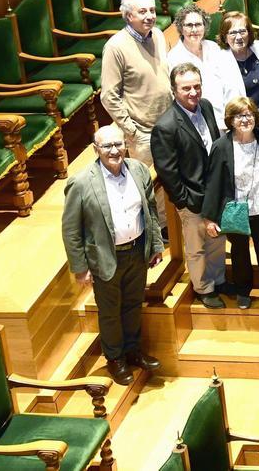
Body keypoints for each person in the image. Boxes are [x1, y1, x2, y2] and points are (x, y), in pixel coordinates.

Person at [62, 124, 163, 386]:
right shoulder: (82, 182)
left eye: (118, 144)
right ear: (96, 149)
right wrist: (80, 267)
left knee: (132, 305)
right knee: (110, 312)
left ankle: (132, 351)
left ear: (125, 144)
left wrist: (155, 246)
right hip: (106, 257)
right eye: (107, 146)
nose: (114, 150)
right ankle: (115, 359)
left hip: (137, 251)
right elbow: (71, 229)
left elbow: (150, 211)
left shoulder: (139, 170)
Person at [152, 63, 226, 307]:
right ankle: (203, 288)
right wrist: (183, 201)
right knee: (196, 248)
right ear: (174, 90)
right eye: (186, 88)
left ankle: (218, 280)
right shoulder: (166, 126)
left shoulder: (204, 107)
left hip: (214, 192)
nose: (193, 92)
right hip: (191, 198)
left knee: (216, 241)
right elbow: (168, 172)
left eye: (197, 86)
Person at [202, 97, 259, 310]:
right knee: (239, 252)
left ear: (255, 116)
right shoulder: (221, 146)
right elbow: (214, 182)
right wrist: (209, 217)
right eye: (239, 115)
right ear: (230, 120)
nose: (245, 119)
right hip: (236, 208)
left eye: (248, 114)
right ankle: (243, 291)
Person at [100, 0, 171, 181]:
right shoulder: (116, 47)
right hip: (143, 133)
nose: (150, 16)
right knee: (149, 188)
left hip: (169, 125)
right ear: (129, 15)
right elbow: (108, 96)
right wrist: (132, 131)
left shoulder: (157, 34)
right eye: (143, 12)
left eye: (152, 10)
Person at [212, 11, 259, 140]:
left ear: (249, 33)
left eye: (242, 31)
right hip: (242, 128)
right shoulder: (218, 61)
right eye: (232, 32)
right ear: (225, 37)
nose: (238, 37)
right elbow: (216, 102)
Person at [166, 3, 221, 82]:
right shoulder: (173, 58)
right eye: (189, 25)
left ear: (204, 27)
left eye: (198, 24)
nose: (194, 30)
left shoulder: (213, 47)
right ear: (181, 28)